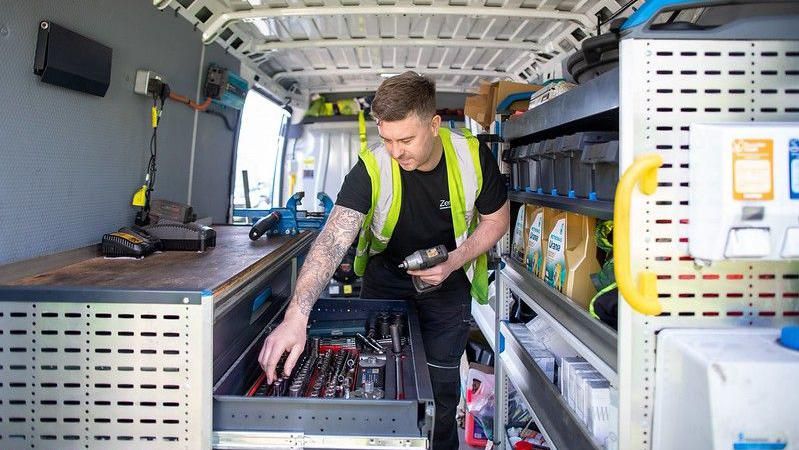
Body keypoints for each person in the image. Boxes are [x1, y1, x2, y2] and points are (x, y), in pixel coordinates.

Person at [259, 71, 509, 450]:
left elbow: (497, 220)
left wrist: (455, 260)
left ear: (435, 125)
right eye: (387, 139)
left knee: (440, 399)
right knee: (377, 385)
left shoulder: (473, 157)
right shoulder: (371, 167)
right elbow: (331, 241)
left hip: (447, 287)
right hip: (385, 284)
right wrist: (296, 316)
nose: (396, 152)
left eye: (406, 139)